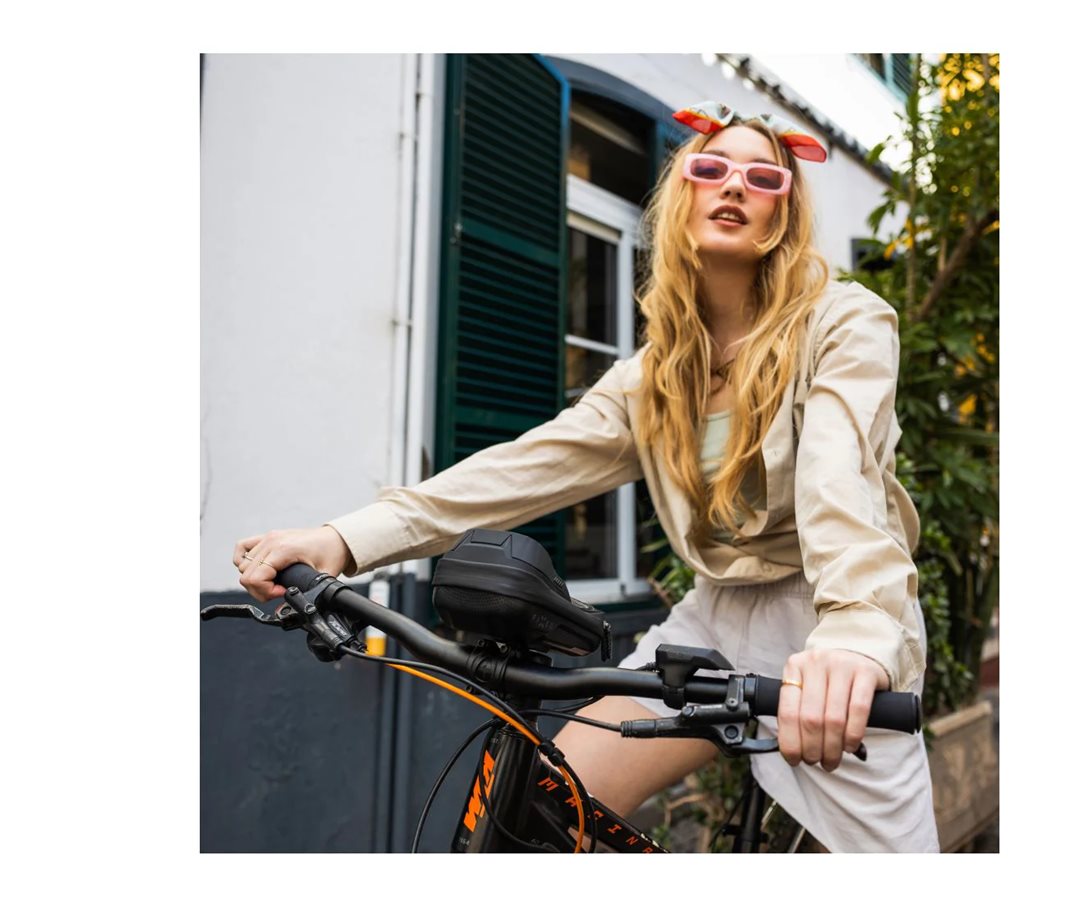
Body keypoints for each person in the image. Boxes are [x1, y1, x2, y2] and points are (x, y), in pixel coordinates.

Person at [233, 100, 939, 852]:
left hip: (828, 614)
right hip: (713, 617)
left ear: (784, 214)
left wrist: (855, 634)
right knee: (541, 808)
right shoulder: (653, 376)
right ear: (683, 194)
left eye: (764, 178)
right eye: (711, 168)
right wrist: (344, 539)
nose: (735, 185)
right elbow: (520, 469)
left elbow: (838, 479)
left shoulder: (845, 322)